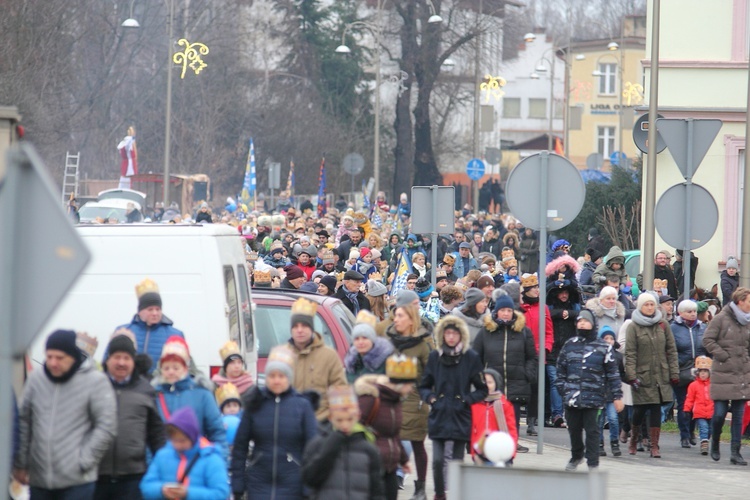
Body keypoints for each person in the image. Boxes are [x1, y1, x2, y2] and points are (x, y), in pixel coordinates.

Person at [14, 330, 117, 499]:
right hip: (39, 480)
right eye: (49, 356)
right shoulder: (36, 379)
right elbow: (24, 420)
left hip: (77, 483)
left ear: (73, 356)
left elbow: (107, 426)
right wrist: (21, 463)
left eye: (60, 358)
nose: (53, 363)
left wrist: (83, 461)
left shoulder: (95, 381)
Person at [231, 345, 317, 499]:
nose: (276, 381)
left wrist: (308, 486)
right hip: (259, 482)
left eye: (281, 376)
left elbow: (312, 450)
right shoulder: (256, 403)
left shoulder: (302, 406)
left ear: (289, 378)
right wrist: (238, 483)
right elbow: (240, 446)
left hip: (293, 483)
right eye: (272, 376)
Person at [420, 317, 487, 500]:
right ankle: (439, 494)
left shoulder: (470, 357)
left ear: (461, 335)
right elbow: (424, 385)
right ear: (442, 334)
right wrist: (431, 398)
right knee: (437, 460)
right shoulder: (435, 356)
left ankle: (456, 493)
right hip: (439, 412)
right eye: (447, 333)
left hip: (460, 414)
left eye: (454, 333)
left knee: (457, 461)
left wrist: (467, 400)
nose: (451, 337)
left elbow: (482, 389)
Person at [96, 334, 166, 500]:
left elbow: (157, 434)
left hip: (133, 478)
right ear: (107, 360)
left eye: (126, 358)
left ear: (133, 361)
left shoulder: (145, 390)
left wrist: (163, 467)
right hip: (97, 478)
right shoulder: (94, 387)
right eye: (116, 357)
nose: (121, 362)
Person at [555, 310, 623, 471]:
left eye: (586, 321)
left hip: (594, 398)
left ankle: (592, 462)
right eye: (579, 321)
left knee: (593, 431)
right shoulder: (569, 345)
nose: (582, 323)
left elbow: (613, 374)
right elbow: (560, 370)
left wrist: (617, 396)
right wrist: (564, 389)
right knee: (574, 429)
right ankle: (576, 456)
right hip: (572, 397)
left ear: (593, 323)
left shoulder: (603, 347)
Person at [472, 292, 537, 453]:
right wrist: (481, 379)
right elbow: (476, 356)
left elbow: (531, 356)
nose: (506, 314)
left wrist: (527, 373)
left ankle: (512, 443)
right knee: (491, 416)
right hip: (492, 384)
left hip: (516, 381)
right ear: (496, 312)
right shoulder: (486, 331)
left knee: (513, 417)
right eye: (503, 311)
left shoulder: (524, 331)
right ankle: (489, 444)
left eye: (509, 310)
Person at [302, 386, 386, 500]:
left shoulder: (368, 449)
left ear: (357, 416)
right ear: (331, 418)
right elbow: (310, 480)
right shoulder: (317, 445)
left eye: (350, 419)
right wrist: (331, 446)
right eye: (339, 420)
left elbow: (376, 491)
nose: (345, 425)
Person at [384, 304, 433, 499]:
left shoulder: (422, 345)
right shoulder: (389, 341)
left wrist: (425, 394)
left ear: (411, 320)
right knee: (390, 444)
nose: (396, 319)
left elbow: (430, 375)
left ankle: (420, 488)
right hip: (391, 400)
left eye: (400, 316)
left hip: (415, 401)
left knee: (417, 444)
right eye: (395, 316)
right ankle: (391, 482)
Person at [354, 355, 417, 500]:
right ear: (399, 383)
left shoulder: (396, 401)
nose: (412, 388)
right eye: (410, 384)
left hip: (390, 468)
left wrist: (404, 460)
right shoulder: (371, 398)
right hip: (370, 468)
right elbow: (354, 429)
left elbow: (394, 435)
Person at [625, 292, 678, 458]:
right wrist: (631, 375)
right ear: (640, 307)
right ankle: (634, 438)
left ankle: (655, 445)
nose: (649, 307)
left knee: (656, 408)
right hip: (642, 375)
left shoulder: (662, 325)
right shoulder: (633, 326)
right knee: (640, 410)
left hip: (660, 374)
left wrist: (674, 372)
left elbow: (671, 349)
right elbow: (630, 353)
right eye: (646, 305)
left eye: (652, 304)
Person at [153, 337, 227, 454]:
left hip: (195, 463)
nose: (171, 372)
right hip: (164, 464)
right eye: (166, 368)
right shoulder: (155, 395)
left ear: (185, 368)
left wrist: (219, 463)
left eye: (176, 367)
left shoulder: (202, 394)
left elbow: (217, 431)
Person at [703, 287, 750, 464]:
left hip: (742, 373)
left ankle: (735, 452)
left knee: (738, 415)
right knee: (719, 414)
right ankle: (715, 441)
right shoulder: (721, 318)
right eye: (749, 301)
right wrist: (722, 355)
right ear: (740, 301)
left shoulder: (747, 321)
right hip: (723, 373)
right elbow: (707, 340)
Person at [139, 407, 229, 500]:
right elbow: (146, 486)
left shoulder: (211, 458)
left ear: (192, 437)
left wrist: (188, 493)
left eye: (182, 441)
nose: (178, 445)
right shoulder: (162, 455)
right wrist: (161, 490)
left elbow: (221, 493)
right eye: (174, 440)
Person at [288, 297, 348, 421]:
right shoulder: (282, 355)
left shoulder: (329, 356)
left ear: (311, 328)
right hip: (291, 424)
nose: (300, 330)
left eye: (304, 325)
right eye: (296, 326)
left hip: (321, 424)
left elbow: (340, 391)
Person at [117, 278, 185, 375]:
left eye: (158, 309)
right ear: (140, 311)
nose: (155, 313)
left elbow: (185, 365)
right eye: (150, 309)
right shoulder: (123, 332)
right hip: (131, 386)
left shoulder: (175, 335)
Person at [670, 300, 707, 448]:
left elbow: (706, 347)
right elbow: (671, 350)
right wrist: (675, 368)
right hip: (681, 371)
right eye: (689, 312)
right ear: (681, 313)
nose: (692, 314)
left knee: (696, 404)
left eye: (694, 311)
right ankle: (684, 435)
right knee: (684, 404)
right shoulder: (674, 328)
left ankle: (692, 430)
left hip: (699, 372)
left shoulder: (702, 327)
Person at [520, 273, 553, 436]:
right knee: (522, 388)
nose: (536, 290)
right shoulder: (520, 308)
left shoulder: (544, 307)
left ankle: (532, 422)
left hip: (539, 354)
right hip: (521, 353)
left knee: (536, 389)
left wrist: (546, 348)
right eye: (533, 288)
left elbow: (549, 331)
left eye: (537, 287)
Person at [547, 283, 581, 428]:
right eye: (561, 293)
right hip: (553, 351)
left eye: (566, 292)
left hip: (569, 351)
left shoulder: (574, 307)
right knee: (555, 382)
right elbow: (547, 314)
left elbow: (582, 315)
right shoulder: (550, 307)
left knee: (569, 383)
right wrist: (561, 314)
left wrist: (569, 314)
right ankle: (557, 415)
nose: (564, 295)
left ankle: (567, 413)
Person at [470, 369, 518, 464]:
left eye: (490, 382)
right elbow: (472, 432)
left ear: (496, 384)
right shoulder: (474, 405)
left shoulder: (505, 404)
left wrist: (511, 453)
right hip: (481, 453)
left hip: (501, 452)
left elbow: (511, 430)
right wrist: (473, 453)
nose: (486, 385)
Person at [597, 326, 625, 458]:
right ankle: (599, 444)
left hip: (612, 394)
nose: (609, 341)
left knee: (613, 419)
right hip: (599, 394)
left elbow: (621, 374)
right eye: (606, 338)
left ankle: (614, 443)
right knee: (599, 420)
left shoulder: (618, 356)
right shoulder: (596, 355)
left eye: (611, 338)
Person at [345, 311, 395, 383]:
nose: (361, 342)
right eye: (357, 339)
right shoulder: (351, 362)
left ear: (372, 339)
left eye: (365, 338)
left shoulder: (385, 361)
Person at [683, 356, 715, 456]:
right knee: (703, 428)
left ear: (709, 373)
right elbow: (690, 399)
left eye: (705, 372)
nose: (703, 374)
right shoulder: (693, 385)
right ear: (697, 373)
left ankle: (705, 440)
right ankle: (704, 444)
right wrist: (687, 409)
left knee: (710, 429)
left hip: (711, 412)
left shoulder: (713, 385)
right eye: (701, 372)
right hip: (699, 412)